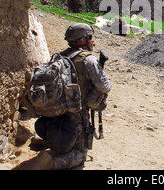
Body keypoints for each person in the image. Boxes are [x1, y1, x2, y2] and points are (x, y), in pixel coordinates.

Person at [18, 23, 111, 170]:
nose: (93, 41)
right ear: (82, 40)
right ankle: (51, 163)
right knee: (80, 155)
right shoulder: (89, 60)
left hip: (56, 112)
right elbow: (105, 86)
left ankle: (50, 148)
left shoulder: (60, 57)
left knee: (65, 141)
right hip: (77, 116)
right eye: (90, 37)